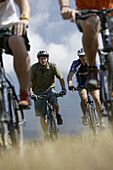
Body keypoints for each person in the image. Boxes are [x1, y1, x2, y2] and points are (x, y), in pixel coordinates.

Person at [59, 0, 113, 91]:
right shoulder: (76, 64)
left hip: (110, 10)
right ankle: (92, 70)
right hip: (86, 12)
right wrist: (64, 7)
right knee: (90, 23)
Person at [0, 0, 31, 108]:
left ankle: (24, 93)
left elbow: (23, 2)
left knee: (17, 42)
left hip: (7, 26)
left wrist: (24, 18)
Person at [30, 50, 66, 140]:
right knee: (42, 115)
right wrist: (31, 93)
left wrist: (63, 89)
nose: (43, 60)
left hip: (50, 89)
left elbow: (60, 77)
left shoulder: (53, 66)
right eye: (41, 59)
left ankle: (57, 115)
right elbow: (29, 82)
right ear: (38, 59)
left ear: (47, 59)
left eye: (45, 58)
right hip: (38, 91)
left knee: (55, 103)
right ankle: (46, 134)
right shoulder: (34, 68)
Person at [67, 48, 106, 128]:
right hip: (82, 85)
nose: (83, 58)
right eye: (81, 56)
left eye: (85, 56)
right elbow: (70, 75)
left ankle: (101, 121)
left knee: (96, 99)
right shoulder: (76, 64)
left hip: (93, 83)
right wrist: (70, 84)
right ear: (79, 57)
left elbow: (99, 71)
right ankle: (85, 115)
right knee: (84, 98)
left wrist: (102, 80)